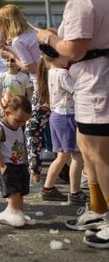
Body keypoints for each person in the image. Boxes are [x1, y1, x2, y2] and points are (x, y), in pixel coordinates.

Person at [34, 0, 109, 247]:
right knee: (85, 146)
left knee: (99, 155)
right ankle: (97, 207)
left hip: (96, 83)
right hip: (93, 81)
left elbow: (75, 49)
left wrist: (49, 40)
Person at [0, 4, 49, 183]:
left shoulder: (19, 40)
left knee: (33, 130)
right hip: (53, 79)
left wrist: (13, 58)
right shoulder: (33, 31)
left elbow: (30, 67)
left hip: (42, 86)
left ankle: (35, 172)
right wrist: (11, 53)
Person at [36, 55, 86, 204]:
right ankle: (75, 192)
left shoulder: (49, 72)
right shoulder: (63, 73)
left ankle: (48, 188)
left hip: (56, 116)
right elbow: (77, 91)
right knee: (77, 156)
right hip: (67, 115)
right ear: (56, 56)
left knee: (62, 156)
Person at [0, 95, 34, 227]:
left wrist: (26, 162)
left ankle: (18, 214)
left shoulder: (19, 126)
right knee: (13, 191)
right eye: (19, 120)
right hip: (6, 164)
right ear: (8, 112)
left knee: (21, 191)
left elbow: (22, 145)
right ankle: (13, 215)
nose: (21, 124)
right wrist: (2, 165)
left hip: (19, 163)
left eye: (24, 122)